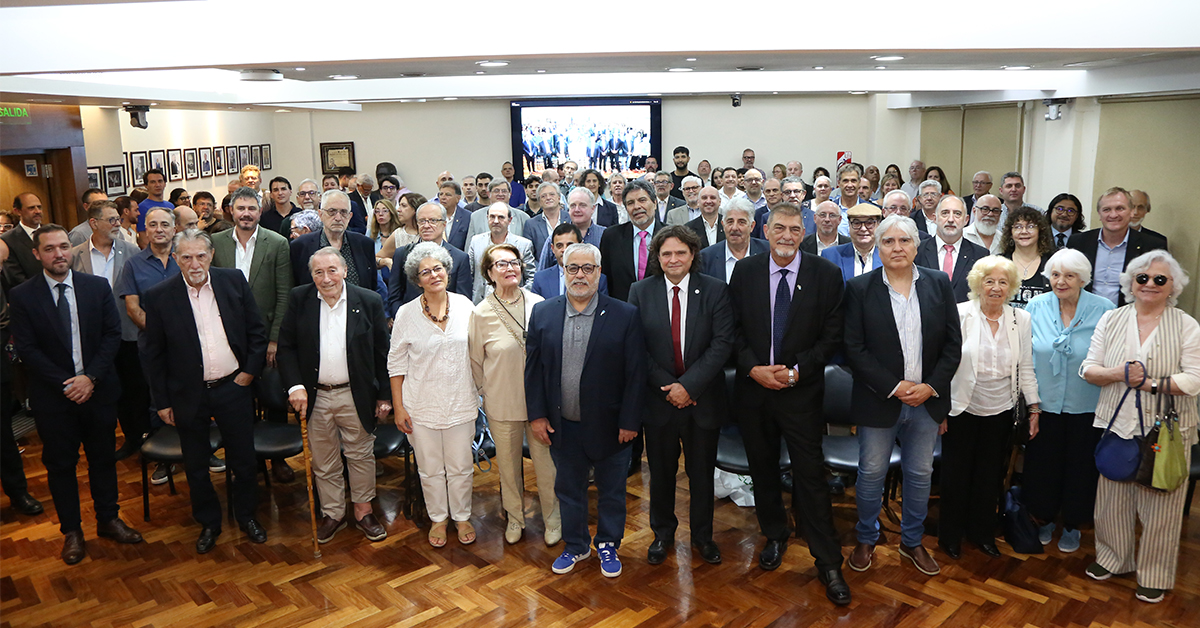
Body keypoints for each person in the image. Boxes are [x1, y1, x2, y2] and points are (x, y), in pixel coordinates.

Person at [726, 202, 851, 606]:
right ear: (766, 229)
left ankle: (827, 560)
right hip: (754, 392)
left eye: (794, 230)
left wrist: (797, 372)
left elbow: (832, 337)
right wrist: (754, 369)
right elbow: (733, 330)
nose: (786, 236)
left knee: (810, 475)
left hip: (801, 393)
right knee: (762, 471)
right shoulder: (744, 273)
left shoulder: (826, 274)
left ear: (804, 232)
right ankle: (775, 534)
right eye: (779, 228)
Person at [9, 224, 144, 564]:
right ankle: (72, 531)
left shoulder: (95, 287)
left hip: (98, 391)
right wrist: (69, 383)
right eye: (51, 249)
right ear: (37, 254)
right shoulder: (23, 295)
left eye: (64, 247)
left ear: (72, 249)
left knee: (103, 459)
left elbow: (112, 335)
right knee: (60, 465)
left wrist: (90, 379)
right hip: (54, 398)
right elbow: (27, 348)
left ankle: (109, 519)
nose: (60, 254)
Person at [843, 215, 960, 577]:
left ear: (917, 246)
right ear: (878, 248)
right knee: (872, 473)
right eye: (889, 242)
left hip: (927, 402)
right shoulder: (860, 288)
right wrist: (894, 387)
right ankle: (867, 537)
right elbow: (853, 348)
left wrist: (930, 387)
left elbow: (953, 346)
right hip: (879, 400)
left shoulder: (939, 284)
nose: (897, 248)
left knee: (920, 474)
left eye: (904, 241)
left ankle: (912, 542)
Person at [1079, 249, 1199, 604]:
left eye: (1159, 279)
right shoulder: (1112, 318)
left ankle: (1155, 574)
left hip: (1167, 430)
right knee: (1112, 500)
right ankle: (1113, 559)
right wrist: (1118, 374)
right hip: (1118, 423)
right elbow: (1089, 369)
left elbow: (1193, 380)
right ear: (1130, 282)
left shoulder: (1187, 325)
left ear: (1172, 286)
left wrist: (1149, 384)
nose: (1149, 284)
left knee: (1161, 503)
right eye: (1142, 278)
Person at [139, 229, 268, 554]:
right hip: (187, 394)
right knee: (196, 465)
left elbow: (256, 331)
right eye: (186, 257)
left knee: (243, 459)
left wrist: (249, 372)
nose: (194, 263)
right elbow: (154, 355)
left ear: (211, 256)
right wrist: (162, 402)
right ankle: (209, 522)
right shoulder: (159, 296)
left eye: (200, 256)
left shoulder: (232, 281)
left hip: (233, 387)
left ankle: (247, 516)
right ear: (176, 259)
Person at [525, 242, 646, 577]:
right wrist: (536, 415)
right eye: (572, 268)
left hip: (612, 426)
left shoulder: (625, 314)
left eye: (587, 268)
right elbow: (533, 371)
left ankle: (608, 544)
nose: (580, 275)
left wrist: (630, 421)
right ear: (562, 271)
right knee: (569, 490)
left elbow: (636, 374)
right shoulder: (543, 313)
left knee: (611, 492)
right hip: (563, 425)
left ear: (599, 273)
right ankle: (576, 545)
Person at [628, 226, 733, 567]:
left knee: (702, 475)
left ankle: (703, 536)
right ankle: (662, 534)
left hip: (702, 399)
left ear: (693, 255)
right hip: (658, 402)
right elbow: (636, 348)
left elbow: (722, 345)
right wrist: (671, 388)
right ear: (658, 258)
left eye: (681, 253)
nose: (674, 259)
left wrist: (689, 386)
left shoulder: (715, 290)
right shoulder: (640, 292)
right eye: (666, 254)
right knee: (660, 473)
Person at [278, 247, 391, 544]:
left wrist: (385, 396)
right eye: (318, 272)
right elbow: (286, 347)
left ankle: (363, 511)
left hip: (356, 394)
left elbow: (383, 352)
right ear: (311, 275)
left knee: (360, 455)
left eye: (331, 271)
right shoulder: (299, 299)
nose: (326, 278)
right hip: (315, 397)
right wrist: (294, 386)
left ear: (343, 271)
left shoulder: (368, 301)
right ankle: (333, 513)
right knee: (324, 460)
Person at [941, 255, 1040, 561]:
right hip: (962, 407)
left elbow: (1025, 366)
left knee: (989, 476)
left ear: (1010, 287)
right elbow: (943, 364)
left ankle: (982, 533)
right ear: (977, 284)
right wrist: (940, 409)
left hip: (1001, 409)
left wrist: (1034, 408)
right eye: (989, 281)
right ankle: (950, 537)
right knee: (956, 475)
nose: (996, 288)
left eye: (1002, 282)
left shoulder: (1019, 319)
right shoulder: (960, 314)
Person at [469, 243, 560, 546]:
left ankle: (553, 520)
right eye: (501, 264)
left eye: (514, 262)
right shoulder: (480, 313)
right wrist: (487, 392)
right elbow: (475, 362)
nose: (510, 268)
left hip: (540, 404)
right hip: (501, 403)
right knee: (508, 468)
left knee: (546, 467)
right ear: (489, 273)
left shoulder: (539, 303)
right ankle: (515, 519)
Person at [389, 242, 479, 548]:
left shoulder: (467, 306)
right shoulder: (405, 314)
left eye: (438, 268)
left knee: (461, 466)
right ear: (417, 280)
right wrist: (399, 407)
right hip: (420, 405)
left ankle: (462, 515)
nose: (433, 275)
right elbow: (396, 364)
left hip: (461, 401)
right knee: (429, 469)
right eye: (425, 272)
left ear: (448, 271)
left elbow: (479, 353)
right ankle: (439, 518)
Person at [1023, 249, 1113, 553]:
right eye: (1055, 275)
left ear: (1083, 279)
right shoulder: (1035, 306)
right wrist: (1031, 405)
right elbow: (1025, 357)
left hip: (1087, 404)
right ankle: (1044, 519)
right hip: (1044, 404)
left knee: (1080, 469)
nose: (1061, 282)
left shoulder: (1104, 309)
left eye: (1069, 275)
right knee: (1042, 467)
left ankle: (1073, 524)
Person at [211, 187, 295, 481]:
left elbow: (284, 293)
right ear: (231, 211)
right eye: (240, 208)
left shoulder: (278, 243)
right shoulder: (215, 243)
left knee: (271, 394)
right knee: (239, 399)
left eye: (252, 208)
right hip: (229, 336)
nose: (246, 213)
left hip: (267, 334)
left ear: (260, 212)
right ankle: (248, 459)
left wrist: (274, 339)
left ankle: (278, 459)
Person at [68, 201, 143, 459]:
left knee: (132, 390)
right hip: (91, 338)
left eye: (117, 219)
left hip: (127, 334)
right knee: (103, 393)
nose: (117, 224)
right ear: (93, 223)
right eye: (110, 220)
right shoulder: (75, 254)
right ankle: (101, 442)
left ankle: (136, 438)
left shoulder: (132, 252)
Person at [115, 207, 182, 484]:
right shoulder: (133, 264)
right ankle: (164, 459)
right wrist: (160, 335)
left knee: (195, 397)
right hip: (152, 347)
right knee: (158, 401)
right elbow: (132, 307)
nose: (159, 229)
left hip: (192, 347)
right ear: (145, 229)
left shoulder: (186, 258)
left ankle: (201, 451)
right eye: (152, 224)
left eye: (164, 224)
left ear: (174, 228)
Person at [1068, 187, 1168, 307]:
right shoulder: (1078, 242)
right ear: (1099, 214)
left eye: (1120, 208)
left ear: (1131, 212)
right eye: (1106, 209)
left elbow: (1160, 289)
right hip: (1084, 316)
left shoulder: (1152, 246)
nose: (1113, 215)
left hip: (1130, 317)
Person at [386, 202, 472, 315]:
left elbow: (463, 299)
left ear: (444, 224)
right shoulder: (403, 254)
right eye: (422, 221)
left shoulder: (460, 258)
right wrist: (402, 316)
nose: (426, 226)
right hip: (411, 319)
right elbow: (394, 294)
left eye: (433, 221)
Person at [290, 190, 377, 292]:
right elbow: (296, 287)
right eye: (332, 212)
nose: (338, 218)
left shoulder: (364, 244)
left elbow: (371, 286)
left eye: (344, 212)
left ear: (350, 216)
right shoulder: (301, 246)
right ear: (320, 214)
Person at [915, 195, 990, 303]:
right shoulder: (917, 251)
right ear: (935, 218)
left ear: (966, 220)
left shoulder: (981, 255)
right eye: (945, 213)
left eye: (957, 214)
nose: (950, 219)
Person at [467, 203, 536, 303]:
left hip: (512, 304)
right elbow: (469, 274)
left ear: (510, 220)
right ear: (487, 218)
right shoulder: (476, 242)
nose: (496, 221)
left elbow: (531, 277)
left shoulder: (523, 245)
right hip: (481, 303)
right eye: (492, 217)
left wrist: (521, 294)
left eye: (501, 217)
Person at [531, 223, 610, 298]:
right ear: (552, 248)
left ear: (581, 245)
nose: (564, 249)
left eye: (570, 245)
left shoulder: (598, 279)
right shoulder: (540, 279)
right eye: (559, 246)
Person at [999, 206, 1055, 308]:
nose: (1024, 231)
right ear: (1010, 233)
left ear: (1040, 231)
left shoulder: (1052, 263)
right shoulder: (998, 263)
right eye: (1018, 227)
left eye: (1031, 226)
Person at [536, 188, 605, 270]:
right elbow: (542, 273)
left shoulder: (604, 235)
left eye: (582, 205)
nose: (577, 210)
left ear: (593, 208)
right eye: (573, 205)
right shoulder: (555, 237)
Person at [699, 202, 768, 283]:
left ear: (752, 226)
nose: (734, 228)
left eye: (741, 222)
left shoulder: (767, 251)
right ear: (723, 225)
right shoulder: (706, 258)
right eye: (730, 222)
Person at [822, 204, 882, 282]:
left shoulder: (887, 256)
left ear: (878, 225)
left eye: (869, 223)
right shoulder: (830, 256)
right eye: (857, 223)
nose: (863, 228)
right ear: (849, 226)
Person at [2, 192, 44, 285]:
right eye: (31, 208)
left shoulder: (54, 232)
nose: (37, 211)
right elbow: (15, 277)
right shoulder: (7, 240)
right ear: (17, 211)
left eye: (39, 207)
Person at [523, 182, 565, 265]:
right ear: (539, 201)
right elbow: (528, 254)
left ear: (559, 198)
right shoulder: (531, 224)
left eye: (552, 194)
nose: (548, 198)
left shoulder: (571, 219)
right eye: (543, 196)